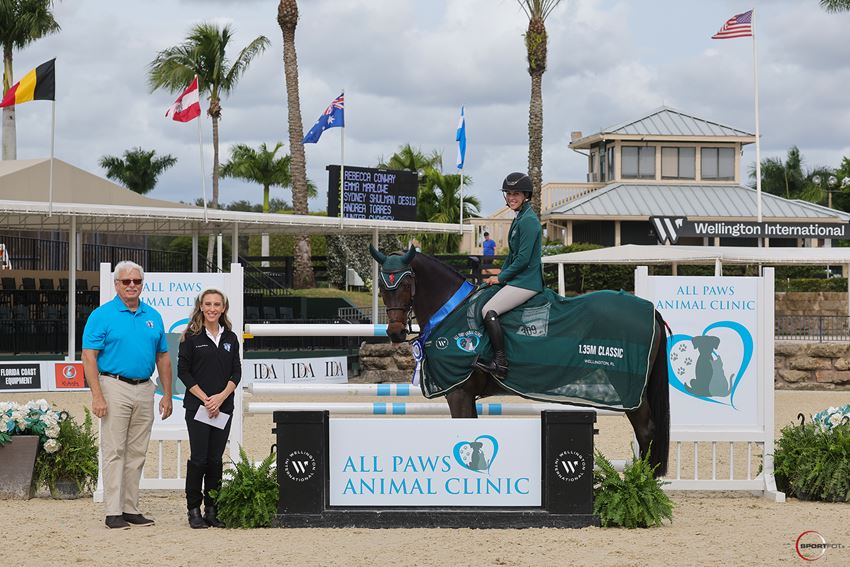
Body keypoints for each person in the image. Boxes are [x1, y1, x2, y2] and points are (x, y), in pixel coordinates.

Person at [82, 260, 173, 530]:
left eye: (136, 281)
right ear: (116, 284)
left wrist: (167, 394)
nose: (131, 285)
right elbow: (89, 357)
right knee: (114, 450)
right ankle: (113, 512)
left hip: (145, 387)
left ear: (142, 284)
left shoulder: (153, 315)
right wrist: (97, 395)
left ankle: (130, 508)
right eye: (126, 281)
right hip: (114, 385)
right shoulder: (102, 315)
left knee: (137, 452)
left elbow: (163, 356)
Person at [177, 289, 241, 529]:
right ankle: (194, 510)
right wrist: (206, 399)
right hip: (198, 407)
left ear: (223, 308)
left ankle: (212, 509)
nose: (212, 308)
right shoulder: (191, 337)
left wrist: (221, 398)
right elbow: (183, 372)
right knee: (199, 460)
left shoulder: (231, 338)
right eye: (208, 304)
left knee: (215, 459)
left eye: (217, 304)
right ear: (201, 307)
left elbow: (237, 372)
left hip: (223, 407)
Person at [475, 172, 543, 380]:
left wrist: (502, 278)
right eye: (509, 193)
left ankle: (501, 361)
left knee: (489, 309)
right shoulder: (519, 218)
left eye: (516, 194)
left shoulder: (528, 221)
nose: (511, 197)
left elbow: (522, 260)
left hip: (527, 282)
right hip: (517, 279)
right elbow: (511, 256)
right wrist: (498, 276)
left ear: (525, 195)